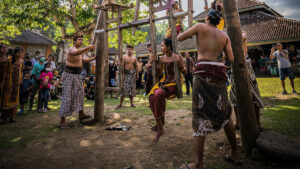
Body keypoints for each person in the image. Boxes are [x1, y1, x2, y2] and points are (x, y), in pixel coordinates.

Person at [177, 10, 241, 169]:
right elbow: (231, 59)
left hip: (203, 72)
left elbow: (179, 38)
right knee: (225, 114)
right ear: (218, 20)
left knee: (200, 114)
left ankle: (198, 163)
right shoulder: (224, 36)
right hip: (219, 73)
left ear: (207, 18)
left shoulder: (200, 27)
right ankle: (235, 153)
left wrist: (192, 32)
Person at [149, 39, 187, 143]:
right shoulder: (161, 58)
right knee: (152, 96)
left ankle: (160, 128)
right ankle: (161, 124)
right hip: (164, 81)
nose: (161, 48)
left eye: (162, 46)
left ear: (169, 46)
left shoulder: (177, 56)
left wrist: (178, 62)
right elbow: (158, 73)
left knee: (158, 94)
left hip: (174, 83)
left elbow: (185, 71)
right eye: (160, 46)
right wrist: (153, 62)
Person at [229, 31, 264, 130]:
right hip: (234, 68)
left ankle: (257, 122)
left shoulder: (242, 35)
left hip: (247, 70)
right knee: (235, 98)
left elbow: (243, 36)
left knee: (254, 97)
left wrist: (234, 35)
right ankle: (238, 122)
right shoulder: (229, 42)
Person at [59, 35, 95, 128]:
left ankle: (81, 113)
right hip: (69, 75)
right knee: (67, 96)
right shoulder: (72, 49)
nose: (81, 41)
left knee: (80, 93)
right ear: (74, 41)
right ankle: (62, 121)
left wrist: (94, 58)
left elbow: (83, 60)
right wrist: (88, 47)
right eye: (79, 40)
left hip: (77, 75)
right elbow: (76, 53)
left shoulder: (79, 51)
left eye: (82, 40)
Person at [0, 47, 23, 124]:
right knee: (6, 99)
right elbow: (5, 73)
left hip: (17, 83)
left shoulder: (21, 61)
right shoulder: (9, 61)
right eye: (18, 52)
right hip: (9, 82)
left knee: (15, 99)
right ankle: (4, 117)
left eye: (20, 53)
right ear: (14, 53)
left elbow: (21, 71)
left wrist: (20, 80)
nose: (19, 54)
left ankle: (12, 116)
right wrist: (4, 82)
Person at [0, 44, 9, 123]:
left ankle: (3, 115)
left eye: (5, 48)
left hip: (4, 80)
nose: (5, 49)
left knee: (3, 97)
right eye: (3, 48)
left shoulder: (7, 59)